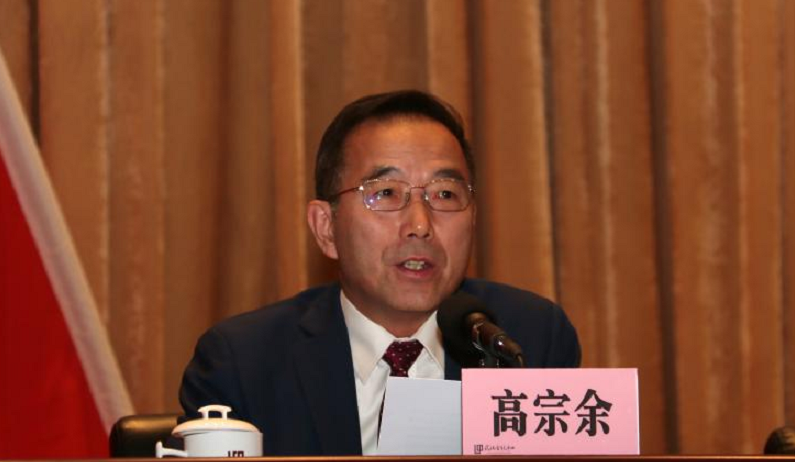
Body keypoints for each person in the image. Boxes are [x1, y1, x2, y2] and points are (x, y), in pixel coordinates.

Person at [179, 90, 580, 455]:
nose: (420, 224)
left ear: (473, 219)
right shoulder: (243, 363)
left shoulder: (528, 339)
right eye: (386, 193)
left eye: (444, 194)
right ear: (326, 228)